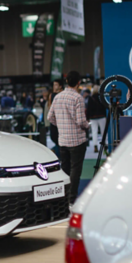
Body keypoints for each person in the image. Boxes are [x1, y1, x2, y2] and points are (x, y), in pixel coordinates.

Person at [48, 71, 90, 205]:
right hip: (77, 141)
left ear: (66, 82)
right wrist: (88, 125)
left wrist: (60, 124)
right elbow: (80, 121)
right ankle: (71, 199)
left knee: (64, 169)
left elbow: (50, 117)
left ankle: (63, 198)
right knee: (75, 170)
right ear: (78, 83)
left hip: (63, 140)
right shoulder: (78, 98)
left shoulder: (57, 97)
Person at [86, 86, 106, 153]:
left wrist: (87, 118)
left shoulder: (90, 98)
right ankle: (104, 145)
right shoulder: (101, 97)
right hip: (101, 116)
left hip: (93, 117)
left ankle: (95, 146)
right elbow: (104, 107)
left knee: (94, 132)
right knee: (103, 131)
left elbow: (88, 108)